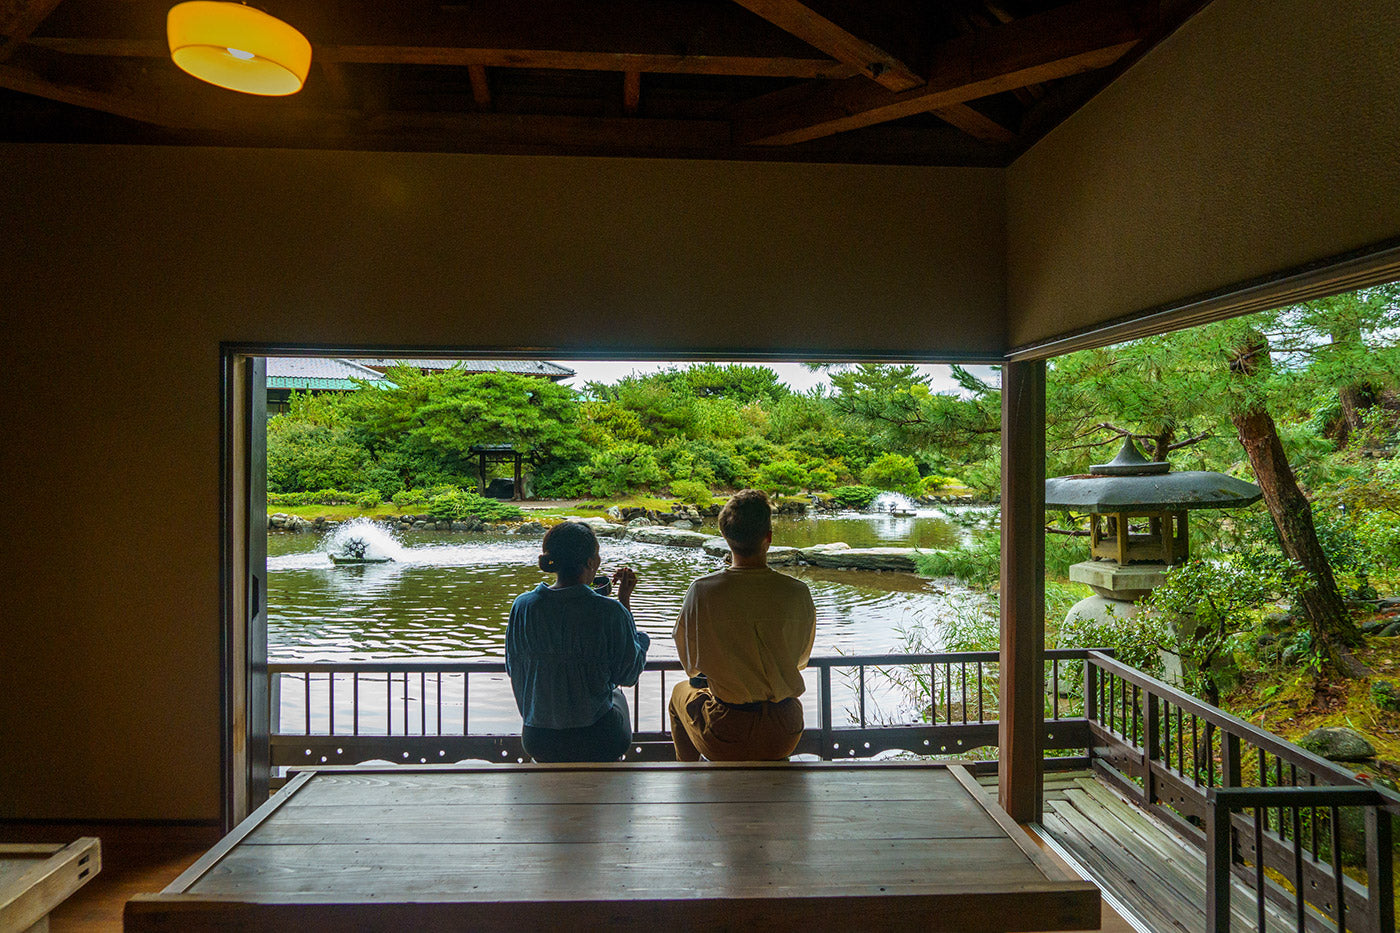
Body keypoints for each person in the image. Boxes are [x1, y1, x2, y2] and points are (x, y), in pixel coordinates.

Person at [669, 490, 816, 761]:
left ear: (725, 537)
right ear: (768, 537)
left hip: (727, 732)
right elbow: (800, 660)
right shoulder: (797, 592)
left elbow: (691, 665)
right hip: (785, 730)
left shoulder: (702, 592)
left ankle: (687, 776)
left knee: (680, 693)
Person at [506, 521, 650, 762]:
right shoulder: (609, 611)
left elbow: (514, 667)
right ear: (591, 562)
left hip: (538, 740)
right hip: (599, 740)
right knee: (617, 695)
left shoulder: (523, 606)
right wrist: (623, 602)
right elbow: (628, 674)